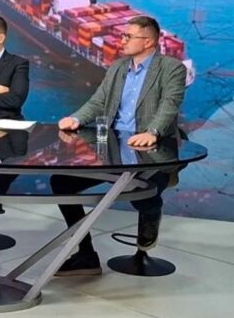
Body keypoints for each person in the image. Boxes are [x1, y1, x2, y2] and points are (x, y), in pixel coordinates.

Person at [53, 15, 187, 276]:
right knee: (61, 182)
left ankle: (152, 210)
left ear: (148, 42)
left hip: (151, 150)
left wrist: (152, 132)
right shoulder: (117, 67)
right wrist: (76, 118)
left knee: (142, 193)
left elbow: (170, 105)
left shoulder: (172, 68)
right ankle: (86, 255)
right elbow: (98, 101)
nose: (121, 40)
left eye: (128, 36)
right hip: (113, 149)